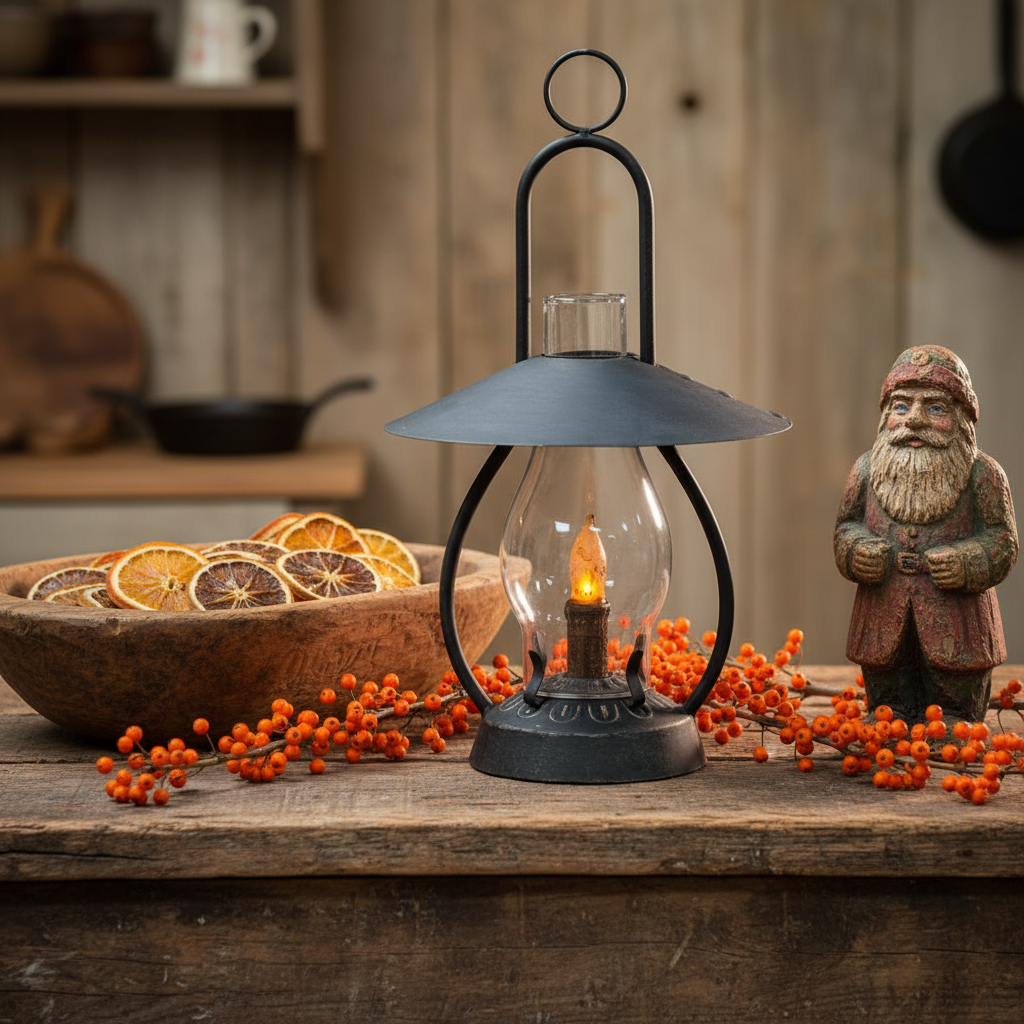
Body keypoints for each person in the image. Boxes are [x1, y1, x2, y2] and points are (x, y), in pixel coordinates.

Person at [834, 345, 1018, 721]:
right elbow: (845, 527)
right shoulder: (866, 470)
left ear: (962, 417)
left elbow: (1002, 540)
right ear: (886, 415)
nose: (913, 419)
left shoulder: (984, 475)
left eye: (935, 408)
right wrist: (855, 550)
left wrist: (968, 563)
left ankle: (956, 715)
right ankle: (889, 713)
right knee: (887, 696)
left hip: (960, 622)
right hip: (883, 613)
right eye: (901, 407)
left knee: (956, 691)